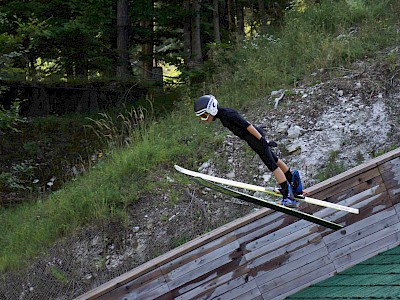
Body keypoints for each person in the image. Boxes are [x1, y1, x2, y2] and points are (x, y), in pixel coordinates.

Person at [194, 94, 303, 207]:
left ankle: (288, 196)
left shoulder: (228, 114)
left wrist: (262, 140)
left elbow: (247, 125)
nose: (204, 118)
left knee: (272, 166)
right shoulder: (223, 115)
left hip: (256, 140)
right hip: (253, 139)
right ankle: (295, 186)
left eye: (204, 115)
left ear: (211, 108)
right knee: (275, 160)